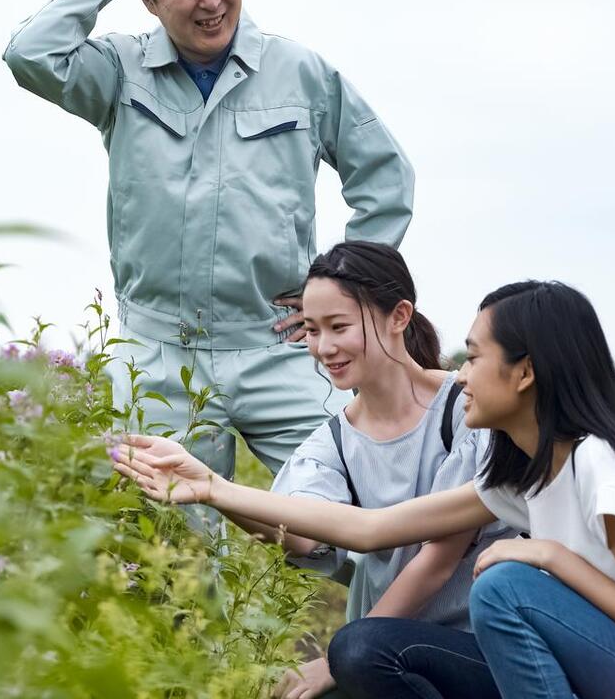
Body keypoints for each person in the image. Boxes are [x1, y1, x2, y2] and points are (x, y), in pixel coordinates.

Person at [111, 281, 615, 699]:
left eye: (475, 356)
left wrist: (551, 557)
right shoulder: (526, 478)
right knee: (366, 642)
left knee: (507, 585)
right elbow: (368, 530)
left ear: (526, 372)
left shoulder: (603, 469)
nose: (458, 371)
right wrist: (212, 488)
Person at [3, 0, 415, 494]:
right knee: (166, 544)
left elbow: (385, 178)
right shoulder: (119, 70)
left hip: (279, 346)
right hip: (157, 354)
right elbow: (30, 54)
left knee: (363, 511)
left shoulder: (300, 72)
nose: (212, 0)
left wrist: (347, 290)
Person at [140, 241, 509, 699]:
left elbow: (436, 563)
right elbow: (301, 535)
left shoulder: (468, 411)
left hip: (481, 650)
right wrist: (207, 488)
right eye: (312, 330)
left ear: (399, 316)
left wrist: (336, 658)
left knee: (351, 655)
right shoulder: (331, 441)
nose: (324, 347)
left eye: (339, 327)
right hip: (386, 654)